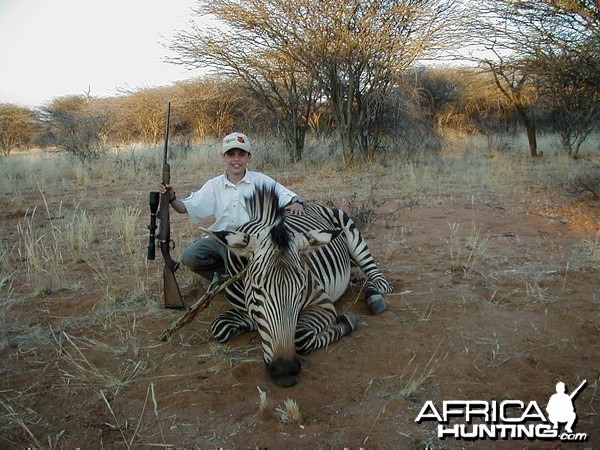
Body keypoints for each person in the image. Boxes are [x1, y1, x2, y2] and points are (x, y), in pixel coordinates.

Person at [158, 131, 305, 280]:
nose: (236, 159)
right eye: (231, 154)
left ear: (249, 157)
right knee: (190, 256)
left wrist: (297, 202)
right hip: (222, 240)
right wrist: (171, 198)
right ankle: (230, 281)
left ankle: (249, 280)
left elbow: (291, 196)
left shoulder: (261, 181)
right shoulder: (214, 185)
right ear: (223, 157)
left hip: (252, 243)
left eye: (241, 154)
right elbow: (184, 208)